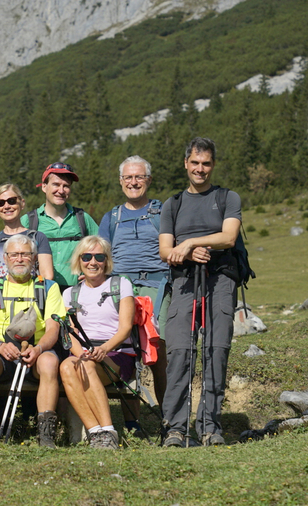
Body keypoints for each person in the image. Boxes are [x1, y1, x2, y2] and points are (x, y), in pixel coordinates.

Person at [159, 137, 241, 447]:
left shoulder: (227, 198)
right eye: (195, 163)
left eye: (206, 163)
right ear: (186, 164)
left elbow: (229, 237)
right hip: (183, 283)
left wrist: (192, 243)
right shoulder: (173, 203)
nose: (200, 169)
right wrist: (186, 253)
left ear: (213, 165)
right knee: (180, 353)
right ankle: (176, 429)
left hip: (220, 281)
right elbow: (165, 250)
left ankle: (210, 428)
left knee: (215, 352)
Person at [0, 234, 65, 448]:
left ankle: (46, 434)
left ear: (34, 258)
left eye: (25, 254)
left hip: (36, 352)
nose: (19, 259)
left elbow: (53, 328)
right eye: (14, 254)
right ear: (5, 258)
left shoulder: (49, 287)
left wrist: (39, 348)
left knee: (50, 363)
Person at [98, 155, 169, 436]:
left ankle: (169, 420)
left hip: (158, 289)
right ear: (120, 181)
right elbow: (101, 253)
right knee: (128, 354)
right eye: (128, 177)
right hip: (121, 290)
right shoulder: (111, 217)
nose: (133, 182)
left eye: (139, 177)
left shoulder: (163, 213)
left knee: (159, 355)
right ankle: (132, 423)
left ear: (149, 180)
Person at [60, 236, 135, 450]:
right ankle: (95, 432)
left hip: (117, 352)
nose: (93, 262)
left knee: (83, 365)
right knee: (66, 366)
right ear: (79, 260)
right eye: (87, 256)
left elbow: (126, 328)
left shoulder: (121, 285)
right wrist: (80, 353)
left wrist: (104, 349)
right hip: (85, 355)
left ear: (107, 260)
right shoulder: (69, 294)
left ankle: (108, 430)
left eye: (99, 257)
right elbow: (70, 332)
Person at [22, 162, 98, 289]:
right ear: (44, 187)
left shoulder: (82, 218)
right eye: (56, 184)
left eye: (66, 186)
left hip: (77, 293)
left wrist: (94, 272)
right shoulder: (29, 221)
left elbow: (104, 249)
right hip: (39, 291)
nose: (61, 191)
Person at [0, 183, 54, 286]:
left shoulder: (37, 238)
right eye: (1, 203)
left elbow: (46, 276)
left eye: (11, 201)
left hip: (30, 299)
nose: (7, 206)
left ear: (22, 203)